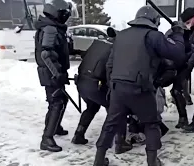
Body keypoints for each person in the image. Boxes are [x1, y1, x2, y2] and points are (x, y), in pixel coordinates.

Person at [91, 5, 186, 166]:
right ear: (154, 21)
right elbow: (178, 54)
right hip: (141, 89)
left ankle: (98, 162)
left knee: (110, 124)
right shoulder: (153, 36)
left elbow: (110, 64)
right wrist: (178, 32)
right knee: (151, 124)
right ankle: (152, 164)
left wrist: (113, 85)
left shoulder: (121, 35)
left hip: (118, 88)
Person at [71, 27, 133, 154]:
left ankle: (79, 134)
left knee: (91, 107)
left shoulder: (98, 45)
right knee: (117, 110)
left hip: (82, 83)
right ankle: (120, 143)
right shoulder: (116, 50)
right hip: (96, 86)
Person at [34, 0, 75, 152]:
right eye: (65, 13)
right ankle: (47, 138)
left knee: (59, 100)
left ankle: (55, 127)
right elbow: (46, 54)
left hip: (52, 71)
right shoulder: (50, 28)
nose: (66, 16)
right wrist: (57, 73)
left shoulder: (52, 27)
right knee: (56, 102)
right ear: (57, 12)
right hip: (50, 73)